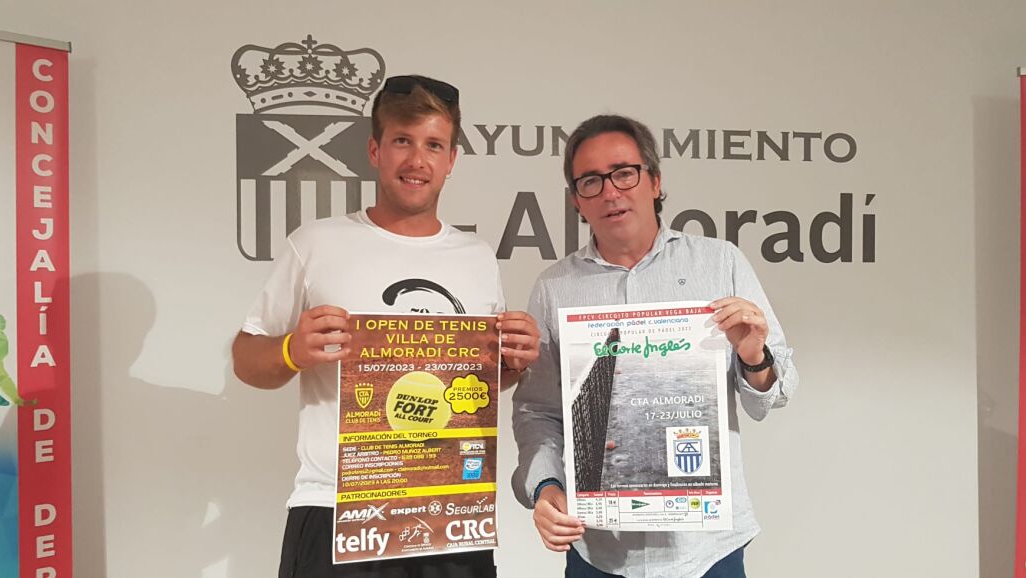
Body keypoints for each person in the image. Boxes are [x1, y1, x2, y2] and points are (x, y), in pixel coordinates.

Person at [232, 75, 540, 578]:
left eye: (433, 145)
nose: (417, 160)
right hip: (337, 507)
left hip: (450, 510)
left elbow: (476, 385)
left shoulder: (478, 257)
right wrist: (292, 350)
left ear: (451, 160)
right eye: (402, 141)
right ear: (375, 150)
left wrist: (512, 364)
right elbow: (246, 359)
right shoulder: (315, 243)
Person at [511, 114, 798, 578]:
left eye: (624, 173)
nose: (610, 192)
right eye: (590, 181)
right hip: (598, 550)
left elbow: (771, 396)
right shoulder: (554, 288)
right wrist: (546, 486)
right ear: (576, 200)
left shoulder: (720, 263)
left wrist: (753, 357)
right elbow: (538, 411)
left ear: (655, 181)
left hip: (707, 552)